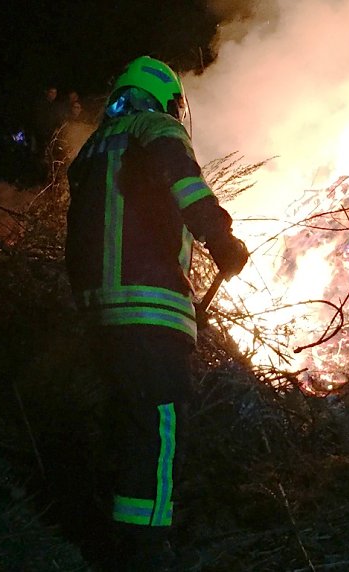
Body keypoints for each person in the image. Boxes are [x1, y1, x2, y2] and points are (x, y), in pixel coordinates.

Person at [65, 55, 249, 571]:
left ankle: (111, 537)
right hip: (147, 306)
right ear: (166, 99)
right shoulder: (155, 128)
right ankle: (147, 550)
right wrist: (222, 240)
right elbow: (186, 185)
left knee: (126, 422)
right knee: (161, 423)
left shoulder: (94, 148)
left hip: (99, 311)